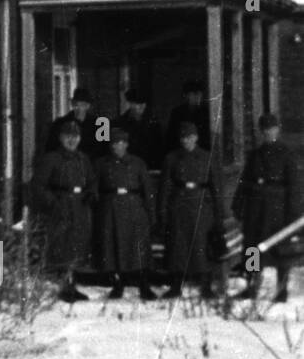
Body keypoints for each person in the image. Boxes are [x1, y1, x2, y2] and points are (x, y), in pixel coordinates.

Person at [232, 113, 299, 302]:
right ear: (261, 132)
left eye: (272, 128)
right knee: (252, 247)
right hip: (256, 208)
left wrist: (293, 214)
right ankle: (252, 286)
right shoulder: (255, 155)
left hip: (278, 208)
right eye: (265, 130)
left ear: (278, 129)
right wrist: (238, 205)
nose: (268, 133)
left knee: (280, 246)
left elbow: (294, 186)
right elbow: (245, 181)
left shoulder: (287, 153)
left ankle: (282, 289)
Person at [31, 120, 98, 301]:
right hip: (60, 207)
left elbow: (92, 181)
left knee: (77, 245)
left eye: (75, 137)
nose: (72, 140)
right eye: (68, 136)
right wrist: (53, 202)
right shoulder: (51, 159)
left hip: (79, 207)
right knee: (62, 246)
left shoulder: (83, 159)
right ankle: (63, 287)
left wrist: (91, 194)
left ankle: (72, 284)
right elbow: (38, 186)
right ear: (61, 138)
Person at [158, 121, 223, 299]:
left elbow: (216, 187)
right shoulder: (171, 158)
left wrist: (219, 214)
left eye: (190, 137)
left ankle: (206, 286)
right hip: (179, 204)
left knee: (202, 244)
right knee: (178, 246)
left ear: (196, 138)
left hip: (201, 204)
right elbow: (165, 187)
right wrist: (163, 211)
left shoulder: (207, 157)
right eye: (184, 137)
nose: (187, 141)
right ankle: (175, 285)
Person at [95, 127, 157, 299]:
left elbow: (147, 190)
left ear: (127, 145)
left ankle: (144, 285)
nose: (118, 147)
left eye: (121, 143)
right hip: (111, 209)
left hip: (134, 207)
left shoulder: (137, 163)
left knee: (139, 247)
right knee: (114, 248)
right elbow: (95, 189)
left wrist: (151, 215)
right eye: (115, 143)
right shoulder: (101, 164)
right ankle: (118, 284)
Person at [45, 87, 106, 158]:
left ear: (88, 106)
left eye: (82, 105)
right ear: (72, 105)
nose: (79, 108)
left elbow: (103, 150)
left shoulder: (100, 124)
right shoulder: (60, 123)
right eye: (76, 105)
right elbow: (51, 149)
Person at [116, 88, 164, 171]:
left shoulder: (153, 123)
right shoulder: (121, 123)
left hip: (149, 166)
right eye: (137, 104)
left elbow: (158, 147)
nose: (142, 107)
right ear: (130, 104)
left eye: (143, 104)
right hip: (128, 166)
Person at [166, 80, 212, 155]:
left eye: (200, 94)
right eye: (194, 94)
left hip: (201, 152)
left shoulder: (206, 112)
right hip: (181, 152)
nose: (198, 97)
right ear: (185, 95)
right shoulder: (177, 112)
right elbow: (171, 136)